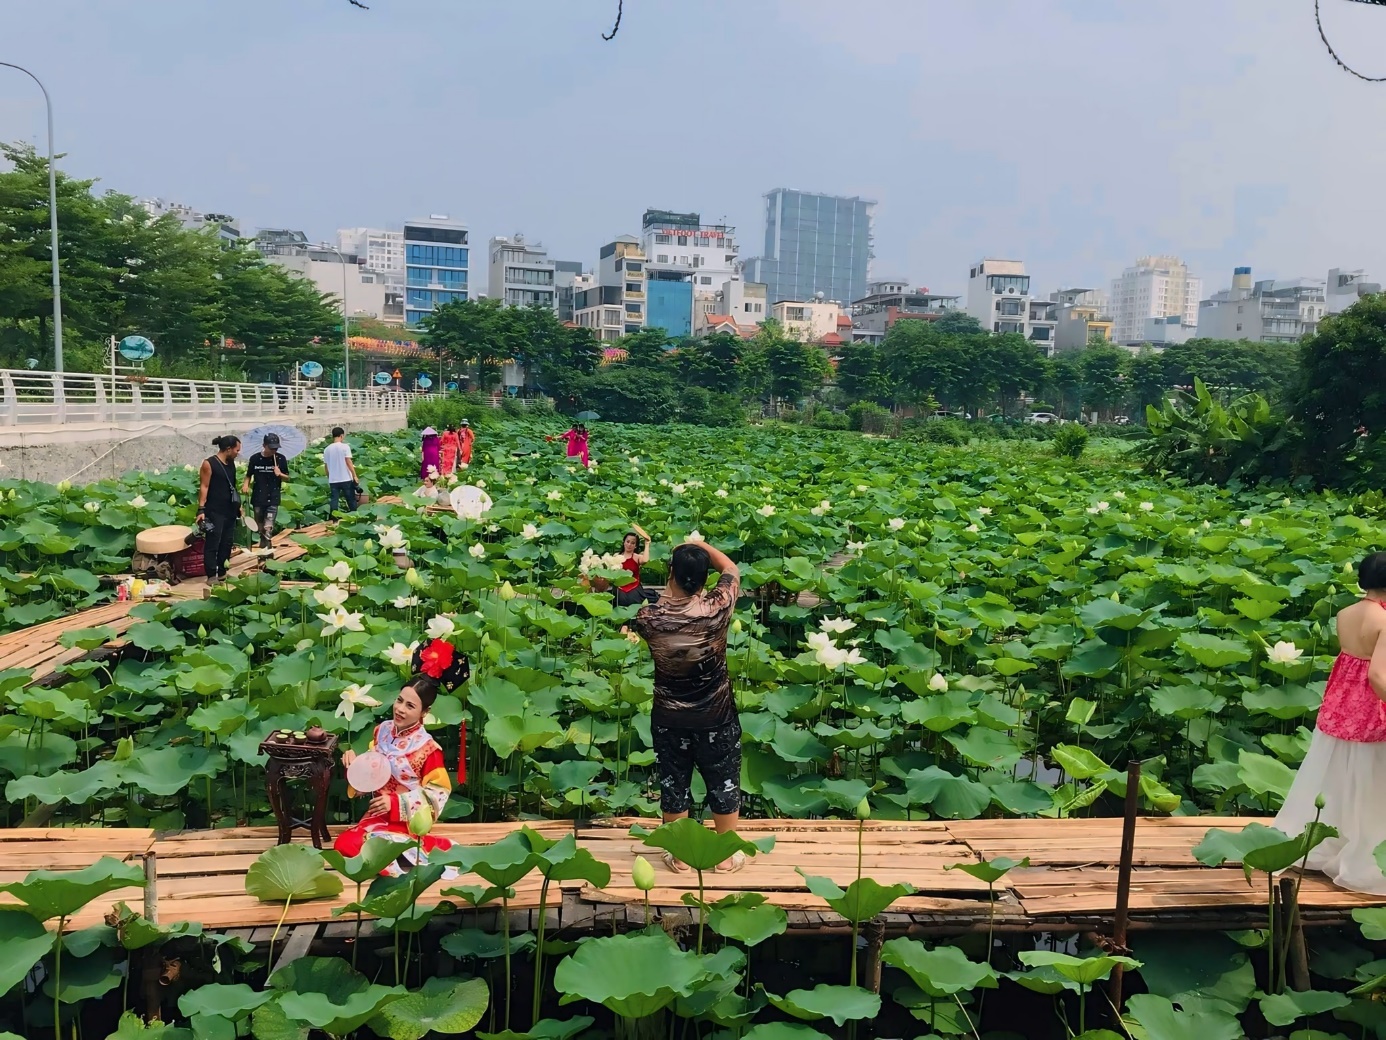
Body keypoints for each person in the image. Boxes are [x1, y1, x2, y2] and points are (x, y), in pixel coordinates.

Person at [627, 540, 744, 872]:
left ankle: (678, 855)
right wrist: (700, 544)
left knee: (674, 781)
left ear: (671, 573)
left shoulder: (649, 618)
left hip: (670, 717)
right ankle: (723, 856)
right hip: (716, 715)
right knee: (723, 779)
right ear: (705, 578)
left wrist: (669, 588)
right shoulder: (718, 607)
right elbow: (731, 569)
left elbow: (665, 605)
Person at [1275, 552, 1386, 894]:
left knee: (1336, 771)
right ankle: (1362, 853)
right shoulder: (1385, 620)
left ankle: (1330, 842)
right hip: (1371, 706)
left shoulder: (1344, 613)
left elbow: (1352, 659)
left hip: (1342, 701)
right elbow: (1378, 675)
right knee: (1371, 780)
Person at [335, 675, 456, 877]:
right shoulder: (382, 731)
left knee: (363, 849)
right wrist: (355, 765)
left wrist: (395, 803)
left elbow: (439, 793)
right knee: (345, 845)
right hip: (376, 817)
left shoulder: (428, 749)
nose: (400, 709)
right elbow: (372, 775)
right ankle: (398, 857)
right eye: (399, 700)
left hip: (408, 822)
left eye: (410, 706)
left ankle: (419, 849)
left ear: (425, 712)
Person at [196, 435, 242, 584]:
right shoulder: (209, 464)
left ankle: (222, 572)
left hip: (230, 509)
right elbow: (204, 486)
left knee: (227, 542)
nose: (238, 453)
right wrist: (201, 510)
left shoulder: (231, 463)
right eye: (237, 450)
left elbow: (232, 486)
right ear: (228, 449)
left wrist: (238, 505)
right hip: (214, 510)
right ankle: (211, 575)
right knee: (213, 543)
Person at [241, 433, 289, 552]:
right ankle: (264, 542)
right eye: (271, 448)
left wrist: (280, 474)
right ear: (264, 445)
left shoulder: (280, 459)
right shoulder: (255, 458)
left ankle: (267, 549)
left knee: (268, 525)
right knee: (259, 524)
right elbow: (248, 475)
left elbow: (287, 477)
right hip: (258, 496)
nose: (274, 450)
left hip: (273, 496)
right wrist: (245, 484)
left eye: (276, 448)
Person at [615, 524, 658, 607]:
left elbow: (645, 560)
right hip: (619, 587)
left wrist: (647, 543)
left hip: (634, 587)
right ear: (624, 542)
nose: (629, 544)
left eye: (632, 543)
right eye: (627, 542)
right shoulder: (616, 556)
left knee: (634, 602)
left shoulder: (636, 557)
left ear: (635, 546)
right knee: (619, 600)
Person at [324, 427, 359, 515]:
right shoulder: (345, 447)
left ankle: (334, 519)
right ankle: (354, 516)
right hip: (345, 478)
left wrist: (329, 477)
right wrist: (354, 475)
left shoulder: (327, 449)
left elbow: (326, 466)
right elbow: (348, 462)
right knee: (350, 499)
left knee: (334, 500)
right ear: (341, 436)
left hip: (333, 480)